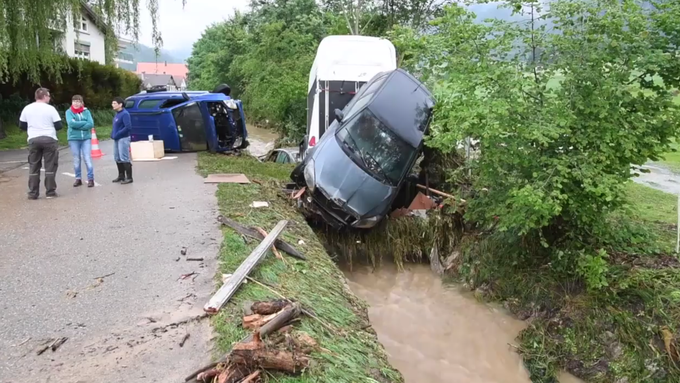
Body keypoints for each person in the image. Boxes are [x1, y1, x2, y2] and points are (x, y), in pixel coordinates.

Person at [19, 88, 62, 200]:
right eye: (48, 96)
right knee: (50, 166)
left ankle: (33, 193)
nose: (49, 98)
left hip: (33, 139)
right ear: (44, 96)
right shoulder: (51, 109)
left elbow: (22, 125)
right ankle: (50, 192)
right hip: (49, 138)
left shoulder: (27, 108)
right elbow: (59, 125)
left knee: (34, 166)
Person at [66, 95, 95, 187]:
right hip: (73, 138)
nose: (76, 103)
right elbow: (71, 123)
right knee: (76, 159)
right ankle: (78, 179)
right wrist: (83, 123)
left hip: (86, 138)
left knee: (87, 158)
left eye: (78, 101)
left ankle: (91, 179)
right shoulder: (69, 112)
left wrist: (77, 124)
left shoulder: (86, 112)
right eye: (74, 101)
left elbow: (90, 124)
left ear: (81, 103)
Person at [111, 97, 133, 184]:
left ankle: (129, 177)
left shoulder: (125, 114)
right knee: (117, 157)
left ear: (120, 104)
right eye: (112, 103)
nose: (113, 105)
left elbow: (128, 127)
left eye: (114, 103)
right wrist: (112, 133)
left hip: (123, 138)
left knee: (124, 157)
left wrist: (118, 134)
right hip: (117, 138)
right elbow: (116, 126)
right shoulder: (117, 114)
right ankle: (121, 175)